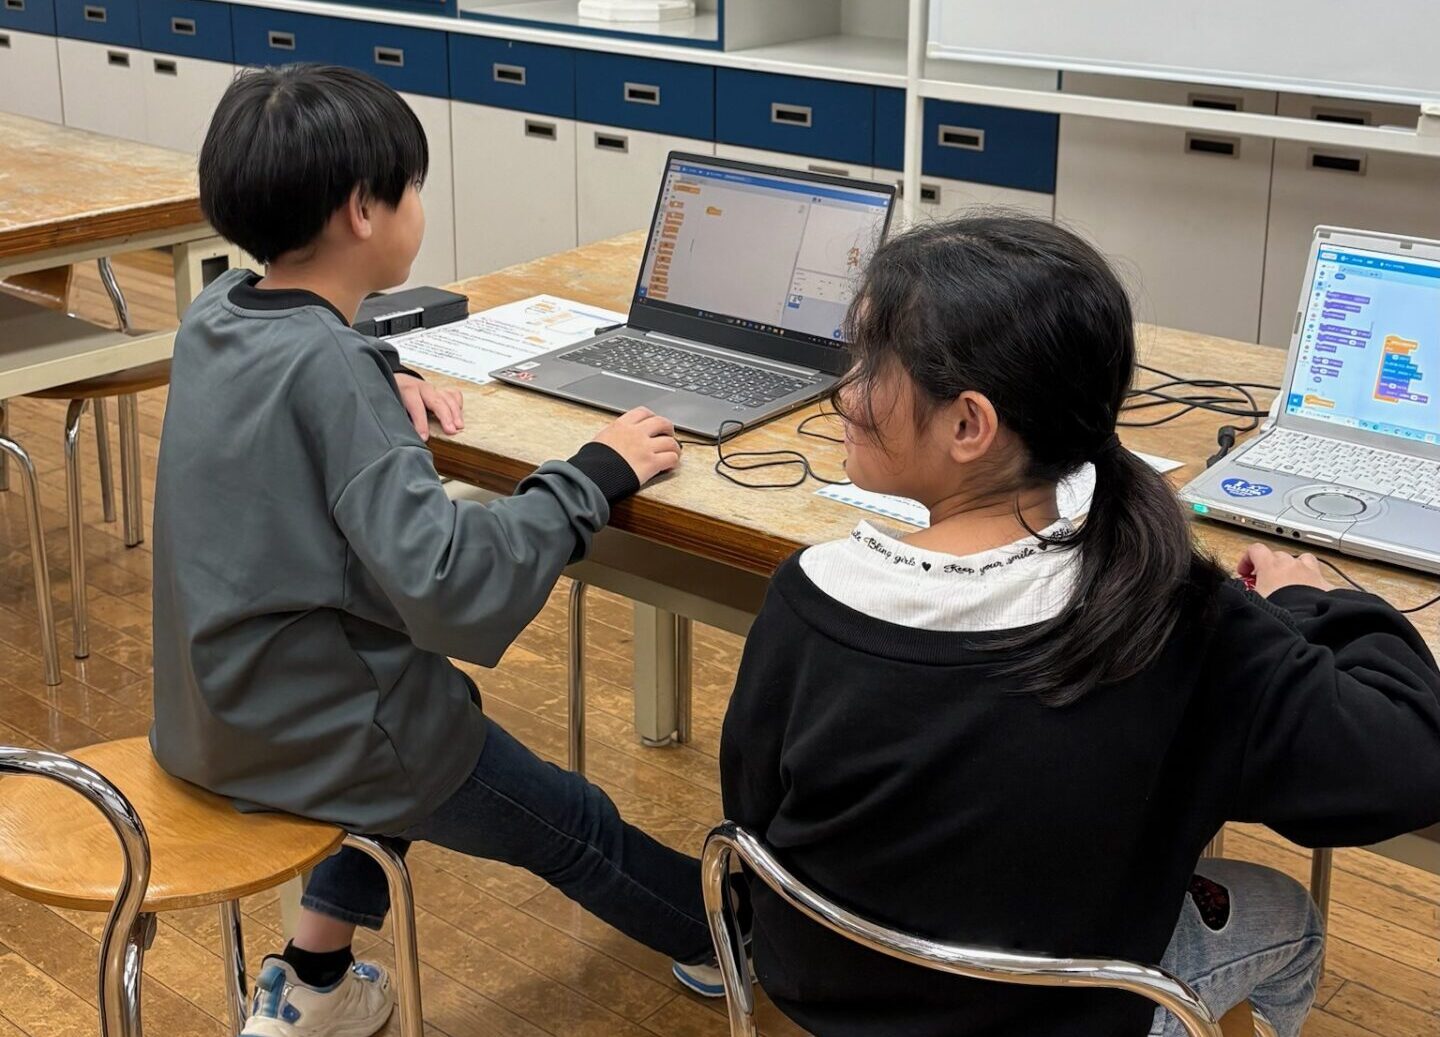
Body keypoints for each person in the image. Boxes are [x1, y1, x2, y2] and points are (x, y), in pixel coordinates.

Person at [719, 215, 1440, 1037]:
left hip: (823, 991)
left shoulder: (808, 596)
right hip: (1059, 1019)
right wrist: (1315, 605)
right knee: (1290, 915)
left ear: (969, 425)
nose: (844, 392)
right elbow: (1413, 752)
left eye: (868, 365)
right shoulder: (1179, 620)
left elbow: (753, 817)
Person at [150, 64, 718, 1037]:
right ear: (362, 210)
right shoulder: (332, 373)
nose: (420, 203)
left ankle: (312, 978)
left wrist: (380, 368)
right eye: (411, 186)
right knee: (559, 815)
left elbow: (306, 371)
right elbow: (450, 585)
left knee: (423, 710)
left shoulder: (218, 313)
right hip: (321, 734)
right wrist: (593, 472)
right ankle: (737, 933)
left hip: (217, 708)